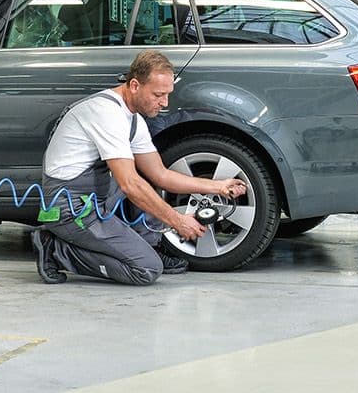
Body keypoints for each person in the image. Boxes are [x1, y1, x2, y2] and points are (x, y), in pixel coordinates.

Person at [32, 49, 247, 286]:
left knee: (145, 181)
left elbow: (160, 174)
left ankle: (150, 246)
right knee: (145, 269)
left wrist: (218, 186)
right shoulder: (107, 113)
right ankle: (56, 249)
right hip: (70, 207)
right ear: (134, 85)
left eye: (167, 94)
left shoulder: (132, 118)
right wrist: (177, 221)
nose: (164, 103)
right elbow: (129, 184)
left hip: (96, 195)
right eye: (158, 94)